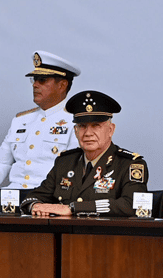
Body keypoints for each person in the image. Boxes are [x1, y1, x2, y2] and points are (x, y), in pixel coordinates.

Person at [20, 91, 148, 217]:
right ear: (75, 131)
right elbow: (35, 196)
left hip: (107, 236)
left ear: (111, 130)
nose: (88, 133)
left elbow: (132, 205)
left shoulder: (130, 164)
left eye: (96, 125)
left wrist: (74, 208)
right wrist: (35, 206)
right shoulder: (65, 162)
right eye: (82, 126)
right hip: (65, 235)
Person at [0, 51, 81, 189]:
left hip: (48, 198)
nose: (35, 85)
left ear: (62, 85)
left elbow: (72, 170)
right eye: (34, 79)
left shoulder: (76, 121)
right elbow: (0, 163)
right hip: (12, 196)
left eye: (42, 80)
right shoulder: (20, 120)